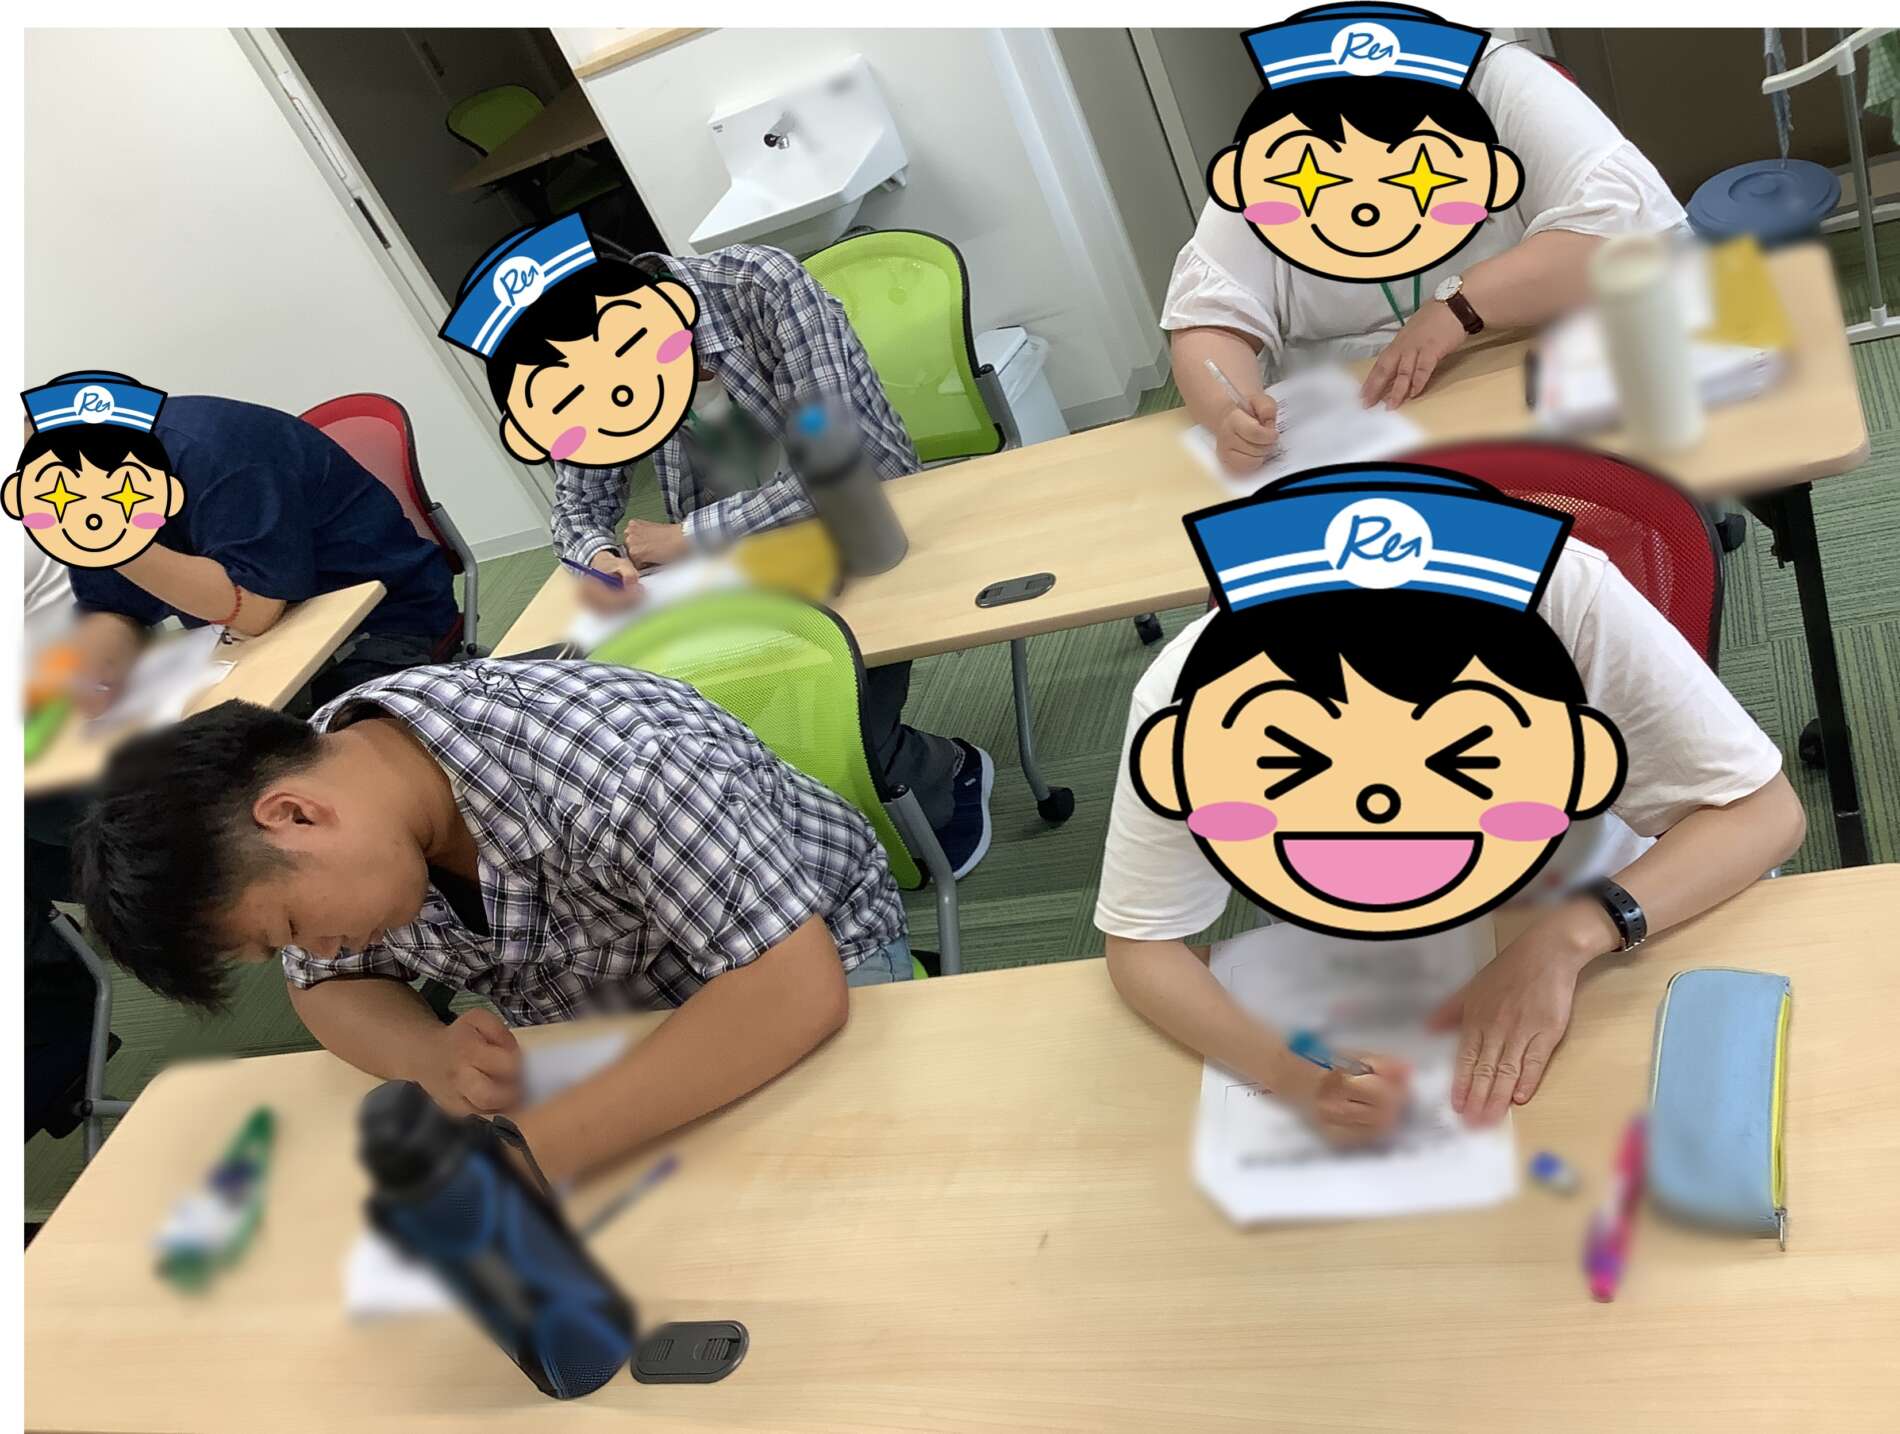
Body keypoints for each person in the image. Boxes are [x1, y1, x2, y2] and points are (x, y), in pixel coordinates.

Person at [1097, 468, 1805, 1146]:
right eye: (1300, 759)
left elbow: (1764, 813)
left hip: (1613, 927)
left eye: (1463, 754)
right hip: (1373, 971)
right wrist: (1289, 1076)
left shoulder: (1564, 592)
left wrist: (1569, 936)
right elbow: (1140, 945)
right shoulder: (1186, 693)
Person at [71, 659, 914, 1184]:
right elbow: (327, 986)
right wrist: (424, 1054)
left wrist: (533, 1152)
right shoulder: (343, 792)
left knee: (823, 1198)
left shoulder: (613, 764)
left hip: (808, 955)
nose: (315, 949)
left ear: (295, 816)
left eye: (292, 923)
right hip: (604, 1015)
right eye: (284, 945)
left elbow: (791, 990)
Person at [440, 220, 993, 875]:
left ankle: (947, 770)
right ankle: (839, 816)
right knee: (719, 726)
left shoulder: (763, 287)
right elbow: (577, 508)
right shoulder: (592, 377)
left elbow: (838, 461)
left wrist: (687, 536)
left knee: (841, 722)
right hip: (738, 565)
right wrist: (600, 557)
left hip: (865, 520)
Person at [1170, 20, 1687, 472]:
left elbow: (1635, 239)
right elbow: (1208, 320)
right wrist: (1229, 412)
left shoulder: (1502, 82)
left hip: (1520, 390)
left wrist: (1459, 304)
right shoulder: (1278, 138)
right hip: (1350, 440)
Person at [12, 376, 459, 714]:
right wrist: (96, 665)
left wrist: (115, 545)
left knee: (283, 765)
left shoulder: (210, 451)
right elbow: (114, 608)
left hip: (382, 616)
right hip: (260, 642)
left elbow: (256, 610)